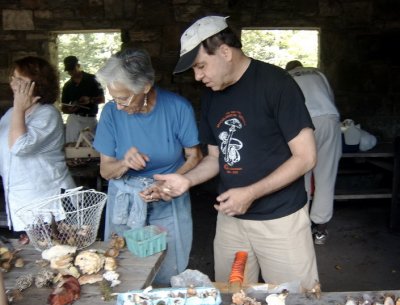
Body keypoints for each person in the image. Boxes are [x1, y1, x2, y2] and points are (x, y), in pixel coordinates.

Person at [150, 15, 319, 290]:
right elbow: (217, 158)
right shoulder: (211, 95)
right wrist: (187, 180)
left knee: (296, 300)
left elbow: (306, 157)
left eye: (201, 65)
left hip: (281, 220)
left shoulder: (276, 83)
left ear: (226, 52)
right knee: (232, 300)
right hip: (231, 219)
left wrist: (250, 193)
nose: (198, 76)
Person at [93, 47, 203, 286]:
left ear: (145, 87)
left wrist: (168, 182)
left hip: (168, 195)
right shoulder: (111, 113)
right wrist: (124, 163)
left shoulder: (177, 108)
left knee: (168, 269)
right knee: (121, 271)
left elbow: (194, 156)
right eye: (114, 98)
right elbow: (105, 171)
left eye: (123, 98)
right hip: (126, 199)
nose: (118, 106)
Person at [0, 56, 75, 234]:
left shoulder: (47, 114)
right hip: (20, 200)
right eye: (13, 78)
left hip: (48, 201)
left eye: (20, 80)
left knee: (56, 257)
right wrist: (17, 109)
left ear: (37, 84)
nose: (13, 83)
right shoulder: (10, 114)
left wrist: (19, 108)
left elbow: (19, 146)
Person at [285, 60, 342, 245]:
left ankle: (300, 228)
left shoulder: (287, 76)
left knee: (300, 174)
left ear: (290, 68)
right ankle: (320, 230)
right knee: (326, 175)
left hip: (303, 121)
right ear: (301, 66)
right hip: (329, 119)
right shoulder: (318, 73)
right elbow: (330, 99)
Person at [61, 56, 105, 143]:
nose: (71, 72)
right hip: (74, 119)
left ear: (78, 65)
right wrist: (70, 109)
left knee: (90, 149)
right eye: (69, 70)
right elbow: (63, 107)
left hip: (90, 119)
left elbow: (102, 99)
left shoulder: (93, 79)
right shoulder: (68, 86)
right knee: (73, 147)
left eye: (72, 69)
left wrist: (90, 100)